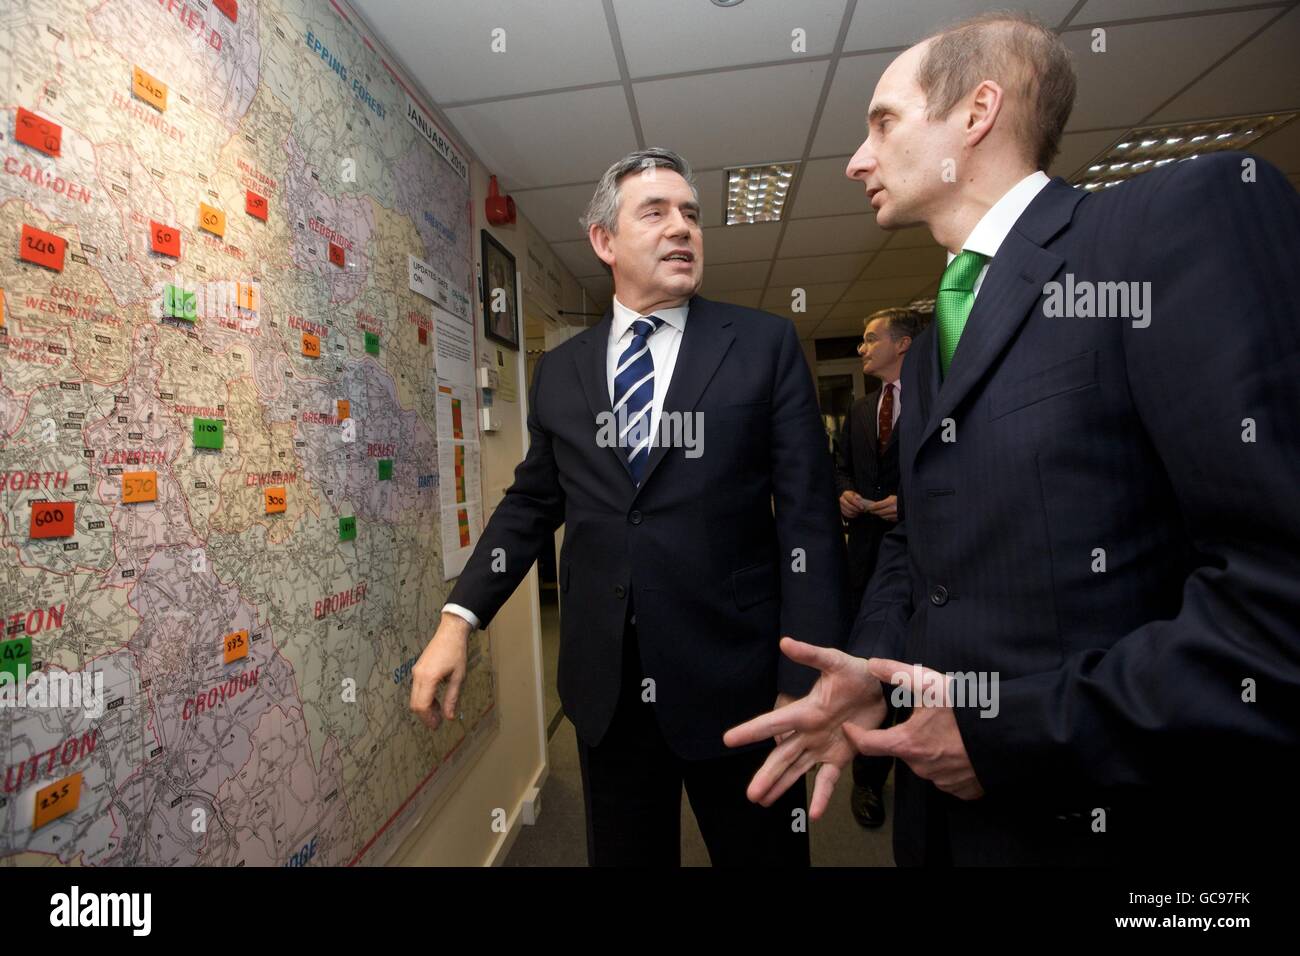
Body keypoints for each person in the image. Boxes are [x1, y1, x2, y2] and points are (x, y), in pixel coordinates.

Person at [725, 11, 1300, 865]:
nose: (855, 158)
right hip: (945, 821)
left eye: (883, 122)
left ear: (976, 112)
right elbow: (918, 542)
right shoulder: (930, 351)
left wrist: (1009, 734)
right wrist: (873, 665)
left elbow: (1278, 605)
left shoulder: (1165, 228)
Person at [409, 147, 848, 866]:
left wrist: (806, 684)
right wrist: (460, 618)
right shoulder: (561, 372)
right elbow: (530, 505)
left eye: (692, 215)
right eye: (656, 212)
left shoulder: (762, 346)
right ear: (604, 241)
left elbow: (810, 523)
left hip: (739, 688)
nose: (683, 228)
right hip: (607, 691)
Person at [834, 306, 923, 827]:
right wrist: (842, 492)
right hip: (865, 557)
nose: (863, 348)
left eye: (871, 339)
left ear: (903, 344)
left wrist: (907, 504)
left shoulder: (940, 399)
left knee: (913, 676)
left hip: (925, 558)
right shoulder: (861, 409)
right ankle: (867, 780)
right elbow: (841, 463)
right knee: (870, 671)